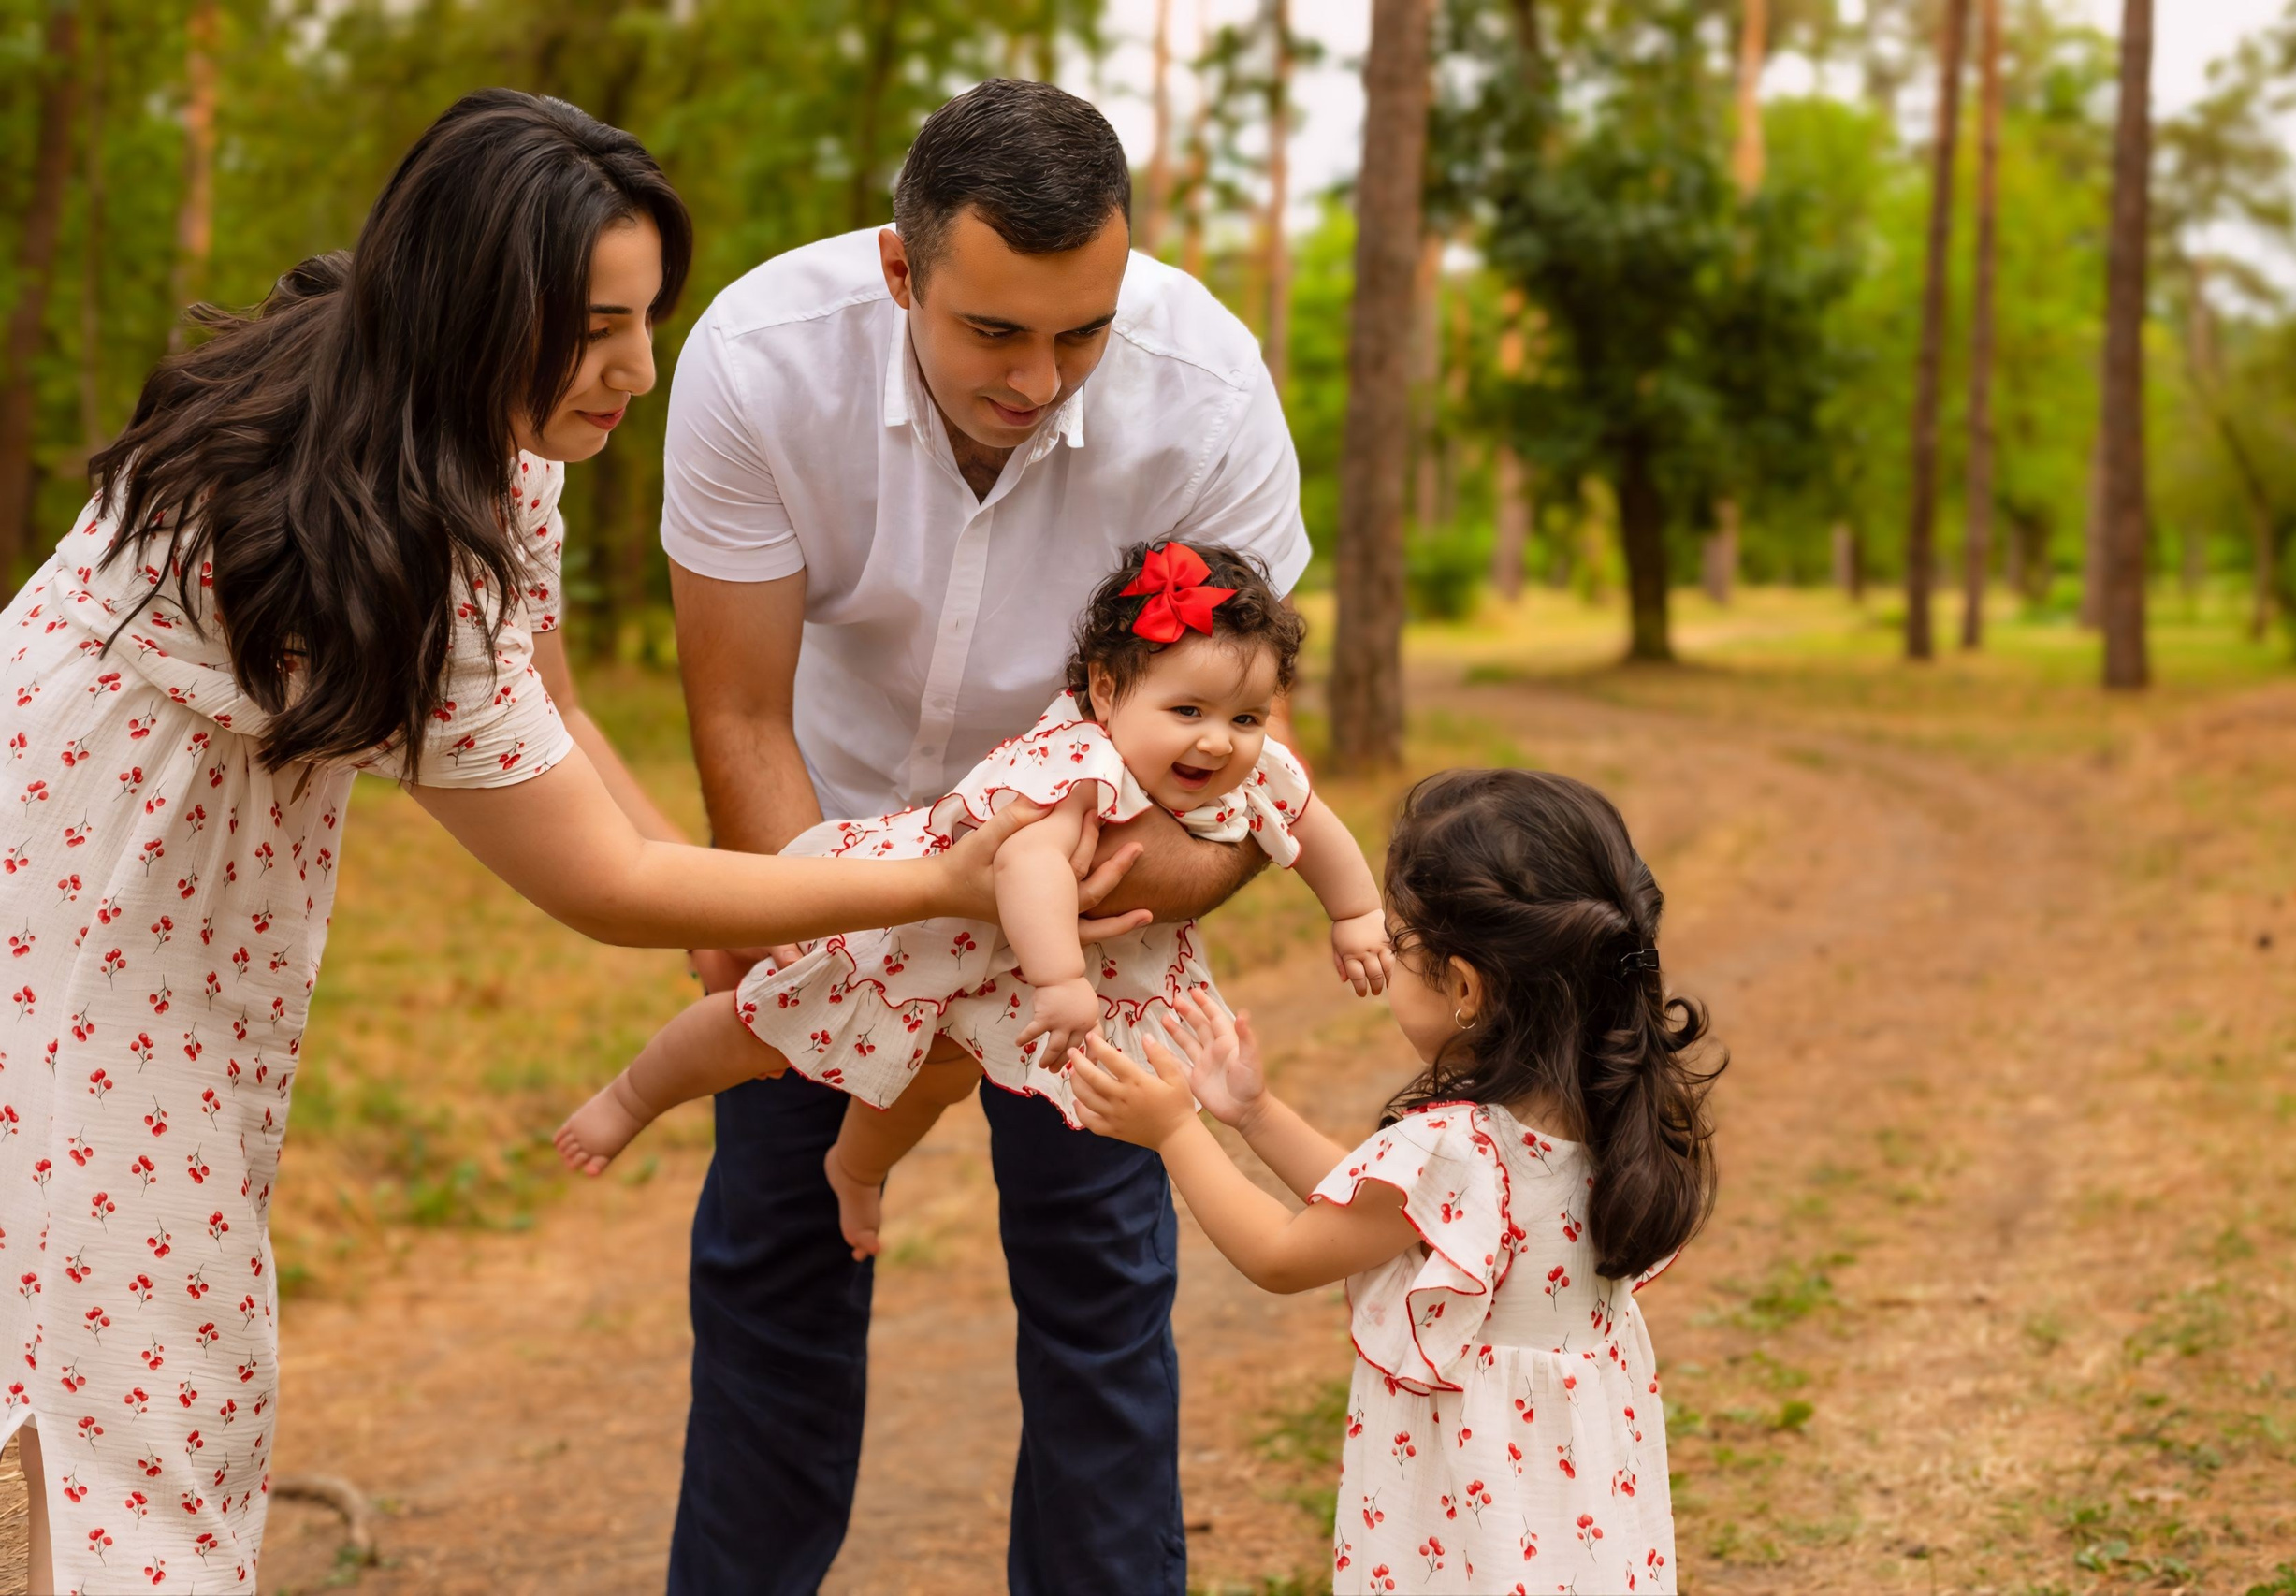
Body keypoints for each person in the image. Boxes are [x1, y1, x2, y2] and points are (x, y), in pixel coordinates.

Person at [0, 89, 1131, 1595]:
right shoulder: (386, 542)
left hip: (179, 916)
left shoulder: (466, 434)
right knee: (132, 1369)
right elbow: (601, 880)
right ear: (471, 308)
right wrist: (939, 877)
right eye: (596, 329)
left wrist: (738, 919)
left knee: (139, 1344)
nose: (639, 369)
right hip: (73, 920)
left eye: (646, 317)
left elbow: (561, 710)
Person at [659, 79, 1308, 1593]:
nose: (1040, 379)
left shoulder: (1210, 393)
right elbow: (740, 713)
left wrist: (1071, 925)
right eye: (996, 332)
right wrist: (834, 941)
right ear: (903, 269)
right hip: (832, 850)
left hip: (1092, 891)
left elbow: (1253, 760)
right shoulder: (759, 358)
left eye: (1082, 334)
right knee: (775, 1273)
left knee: (1101, 1293)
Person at [557, 541, 1392, 1261]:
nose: (1219, 740)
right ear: (1106, 693)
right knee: (762, 1024)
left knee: (929, 1082)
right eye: (1188, 710)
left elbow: (1306, 818)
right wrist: (1062, 980)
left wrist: (1354, 913)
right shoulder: (1078, 766)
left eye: (1246, 717)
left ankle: (855, 1170)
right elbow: (1026, 864)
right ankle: (631, 1096)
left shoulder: (1250, 763)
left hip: (999, 969)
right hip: (922, 927)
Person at [1071, 769, 1724, 1595]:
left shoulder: (1458, 1147)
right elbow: (1389, 1214)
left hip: (1474, 1503)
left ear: (1466, 987)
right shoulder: (1610, 1106)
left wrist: (1174, 1131)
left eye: (1402, 940)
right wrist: (1255, 1114)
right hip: (1571, 1494)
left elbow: (1282, 1255)